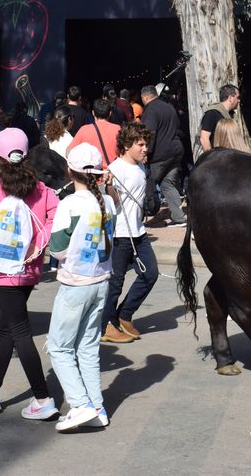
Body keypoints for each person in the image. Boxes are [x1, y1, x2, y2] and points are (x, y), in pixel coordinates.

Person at [0, 128, 61, 419]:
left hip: (3, 269)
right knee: (6, 329)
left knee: (19, 331)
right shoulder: (42, 189)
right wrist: (35, 245)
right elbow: (54, 221)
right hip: (30, 268)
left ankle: (43, 398)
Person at [47, 143, 117, 431]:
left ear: (69, 171)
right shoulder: (108, 203)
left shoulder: (69, 205)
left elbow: (57, 249)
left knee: (59, 348)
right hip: (101, 281)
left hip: (75, 284)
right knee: (88, 347)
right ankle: (97, 406)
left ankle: (79, 405)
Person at [101, 123, 157, 344]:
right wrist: (110, 187)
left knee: (150, 274)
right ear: (126, 145)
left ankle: (124, 315)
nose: (145, 149)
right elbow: (113, 204)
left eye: (146, 144)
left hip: (139, 233)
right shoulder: (116, 169)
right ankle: (106, 325)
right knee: (115, 283)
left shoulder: (141, 168)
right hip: (120, 235)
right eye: (140, 145)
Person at [139, 85, 186, 226]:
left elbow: (149, 133)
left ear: (145, 97)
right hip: (175, 150)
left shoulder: (151, 110)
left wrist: (145, 152)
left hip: (160, 154)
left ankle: (144, 216)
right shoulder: (168, 106)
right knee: (168, 184)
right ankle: (179, 217)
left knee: (148, 185)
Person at [67, 98, 120, 169]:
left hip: (93, 174)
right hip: (113, 173)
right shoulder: (118, 129)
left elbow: (69, 152)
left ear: (93, 113)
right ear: (110, 113)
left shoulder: (84, 130)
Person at [199, 84, 241, 153]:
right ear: (230, 98)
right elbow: (204, 138)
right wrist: (212, 158)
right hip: (218, 158)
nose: (239, 100)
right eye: (237, 97)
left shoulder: (231, 115)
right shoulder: (212, 113)